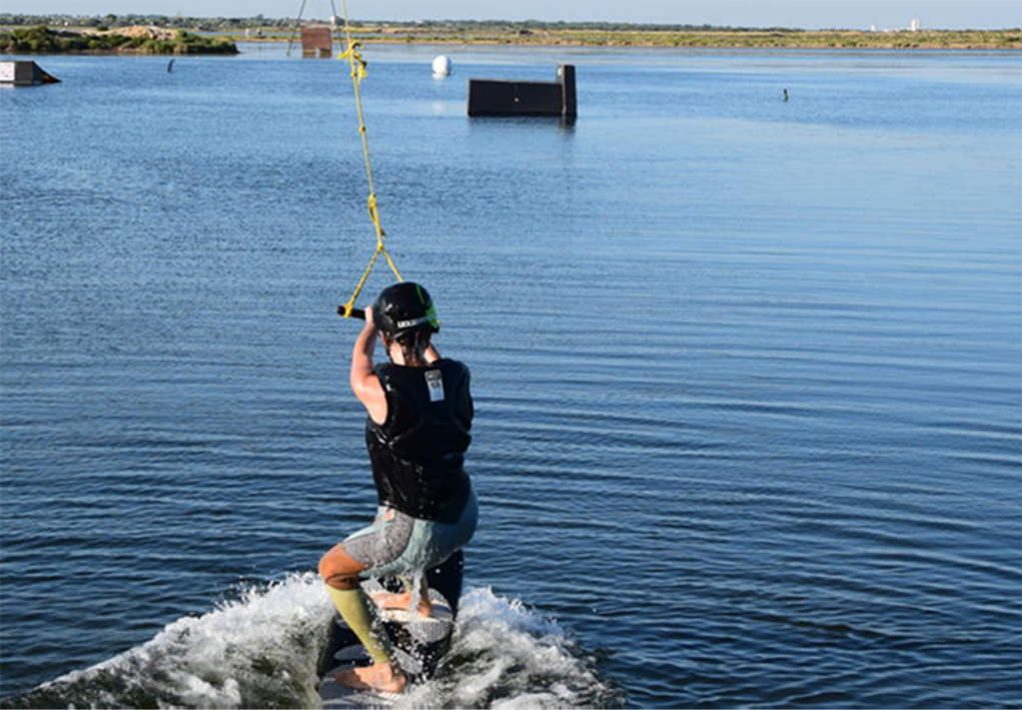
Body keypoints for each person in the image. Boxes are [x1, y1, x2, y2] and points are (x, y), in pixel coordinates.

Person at [318, 282, 477, 693]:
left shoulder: (382, 388)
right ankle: (419, 599)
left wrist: (369, 327)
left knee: (332, 570)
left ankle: (385, 670)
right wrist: (415, 333)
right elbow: (433, 371)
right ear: (431, 332)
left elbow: (358, 367)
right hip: (462, 518)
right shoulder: (457, 377)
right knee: (392, 512)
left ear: (389, 335)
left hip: (419, 531)